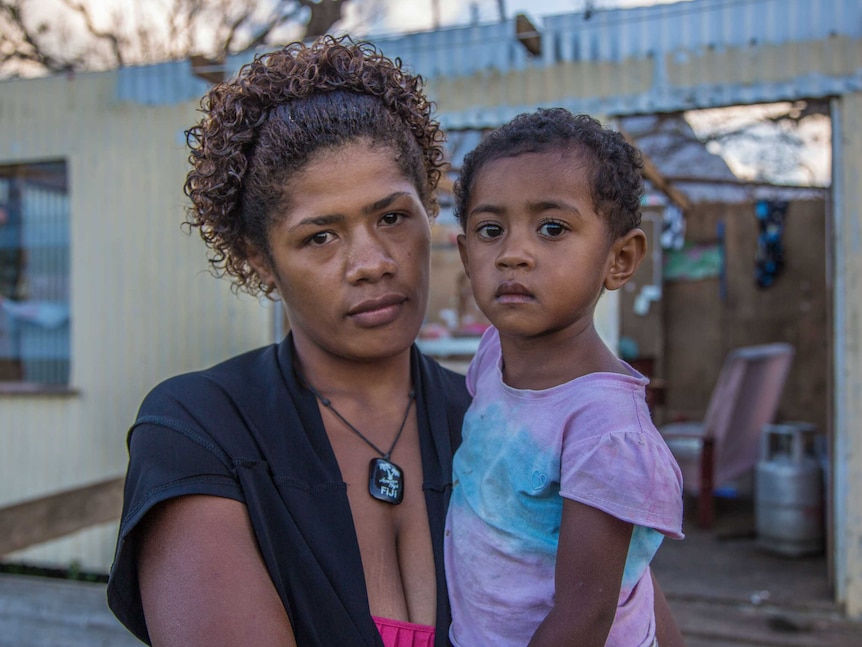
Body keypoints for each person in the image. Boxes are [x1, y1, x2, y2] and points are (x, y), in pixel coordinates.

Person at [106, 35, 471, 647]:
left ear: (428, 211)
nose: (373, 262)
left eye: (392, 216)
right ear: (261, 262)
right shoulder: (200, 429)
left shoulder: (499, 420)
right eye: (320, 237)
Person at [444, 108, 685, 647]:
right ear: (465, 253)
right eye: (490, 230)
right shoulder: (490, 360)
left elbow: (583, 618)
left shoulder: (605, 430)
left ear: (619, 259)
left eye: (552, 228)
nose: (513, 254)